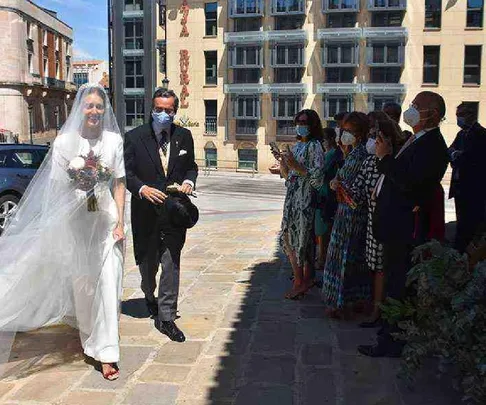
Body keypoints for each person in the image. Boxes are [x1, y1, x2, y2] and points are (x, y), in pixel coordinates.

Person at [0, 84, 126, 380]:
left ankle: (107, 353)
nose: (94, 111)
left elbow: (119, 184)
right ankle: (89, 339)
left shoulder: (114, 140)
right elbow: (55, 187)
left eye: (99, 106)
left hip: (106, 222)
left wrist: (121, 222)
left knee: (110, 283)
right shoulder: (64, 142)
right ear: (80, 108)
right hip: (76, 223)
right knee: (84, 288)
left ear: (105, 110)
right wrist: (77, 184)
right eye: (89, 105)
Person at [359, 91, 449, 357]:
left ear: (432, 114)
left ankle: (391, 341)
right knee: (392, 283)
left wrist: (385, 158)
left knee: (397, 285)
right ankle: (388, 330)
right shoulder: (418, 139)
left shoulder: (433, 146)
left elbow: (410, 185)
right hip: (393, 226)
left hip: (403, 229)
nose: (411, 109)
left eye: (417, 106)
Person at [124, 89, 198, 343]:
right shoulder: (134, 137)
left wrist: (189, 180)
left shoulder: (184, 136)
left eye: (168, 110)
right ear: (151, 109)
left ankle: (166, 317)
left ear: (174, 111)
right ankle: (148, 293)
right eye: (159, 109)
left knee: (171, 263)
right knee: (149, 265)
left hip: (174, 213)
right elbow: (127, 173)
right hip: (145, 213)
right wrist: (142, 189)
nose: (163, 114)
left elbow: (191, 166)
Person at [346, 112, 401, 327]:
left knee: (382, 267)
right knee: (373, 265)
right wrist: (343, 190)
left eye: (376, 137)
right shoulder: (369, 162)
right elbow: (358, 191)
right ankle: (374, 303)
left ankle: (379, 309)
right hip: (371, 221)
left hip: (387, 222)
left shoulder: (395, 161)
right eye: (370, 136)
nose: (372, 141)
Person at [321, 112, 370, 318]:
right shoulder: (352, 153)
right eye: (343, 130)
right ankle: (349, 302)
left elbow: (346, 183)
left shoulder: (359, 155)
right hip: (347, 212)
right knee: (347, 258)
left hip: (350, 214)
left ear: (359, 134)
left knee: (344, 258)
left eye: (348, 131)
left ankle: (341, 304)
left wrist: (337, 183)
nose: (343, 133)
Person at [278, 109, 325, 300]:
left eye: (304, 122)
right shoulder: (296, 147)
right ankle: (300, 278)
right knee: (288, 236)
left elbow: (318, 177)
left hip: (305, 200)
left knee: (302, 239)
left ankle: (301, 280)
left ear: (312, 125)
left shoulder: (315, 147)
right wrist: (283, 163)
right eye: (298, 121)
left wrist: (299, 168)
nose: (300, 125)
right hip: (292, 198)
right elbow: (288, 176)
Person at [449, 102, 486, 252]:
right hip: (459, 186)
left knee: (472, 222)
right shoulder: (461, 134)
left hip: (473, 188)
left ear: (471, 115)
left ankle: (466, 251)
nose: (459, 119)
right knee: (461, 221)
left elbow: (470, 159)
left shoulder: (480, 134)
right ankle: (460, 249)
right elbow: (450, 151)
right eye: (457, 115)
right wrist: (456, 155)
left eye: (461, 115)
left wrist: (457, 155)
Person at [314, 128, 343, 269]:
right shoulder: (326, 153)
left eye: (324, 139)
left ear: (331, 139)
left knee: (326, 229)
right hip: (322, 194)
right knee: (321, 228)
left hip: (329, 196)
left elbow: (323, 172)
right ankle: (321, 257)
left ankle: (323, 259)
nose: (322, 142)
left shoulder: (335, 154)